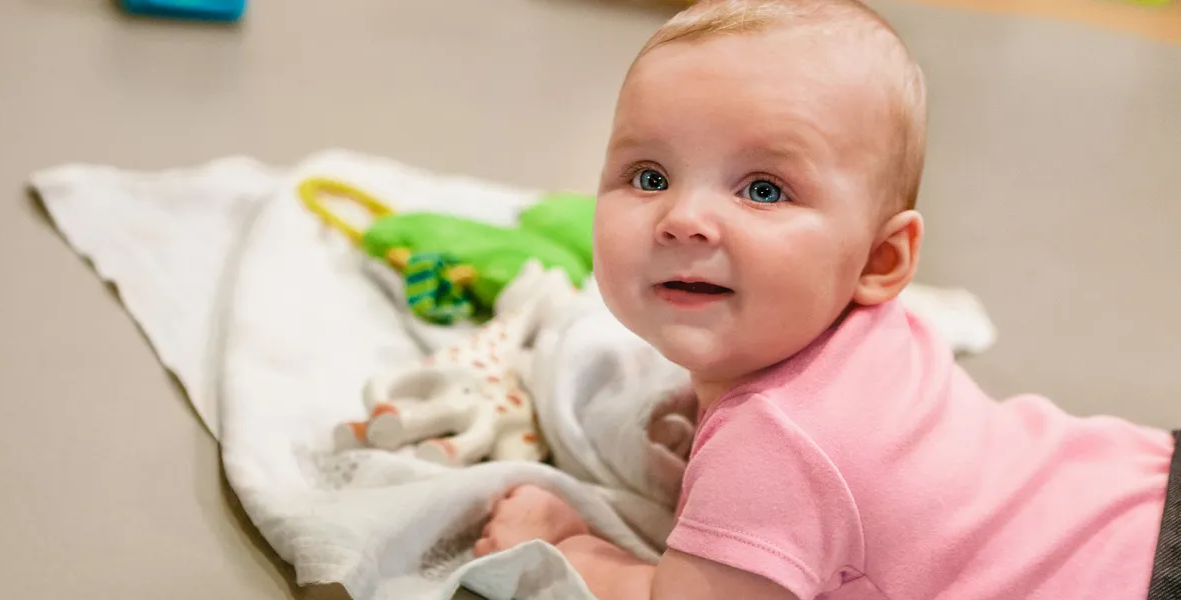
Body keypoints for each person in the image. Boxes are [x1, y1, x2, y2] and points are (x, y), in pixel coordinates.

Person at [471, 1, 1178, 598]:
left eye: (764, 189)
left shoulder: (777, 443)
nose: (682, 217)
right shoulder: (851, 345)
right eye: (649, 176)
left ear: (880, 259)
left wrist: (569, 544)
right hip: (1134, 482)